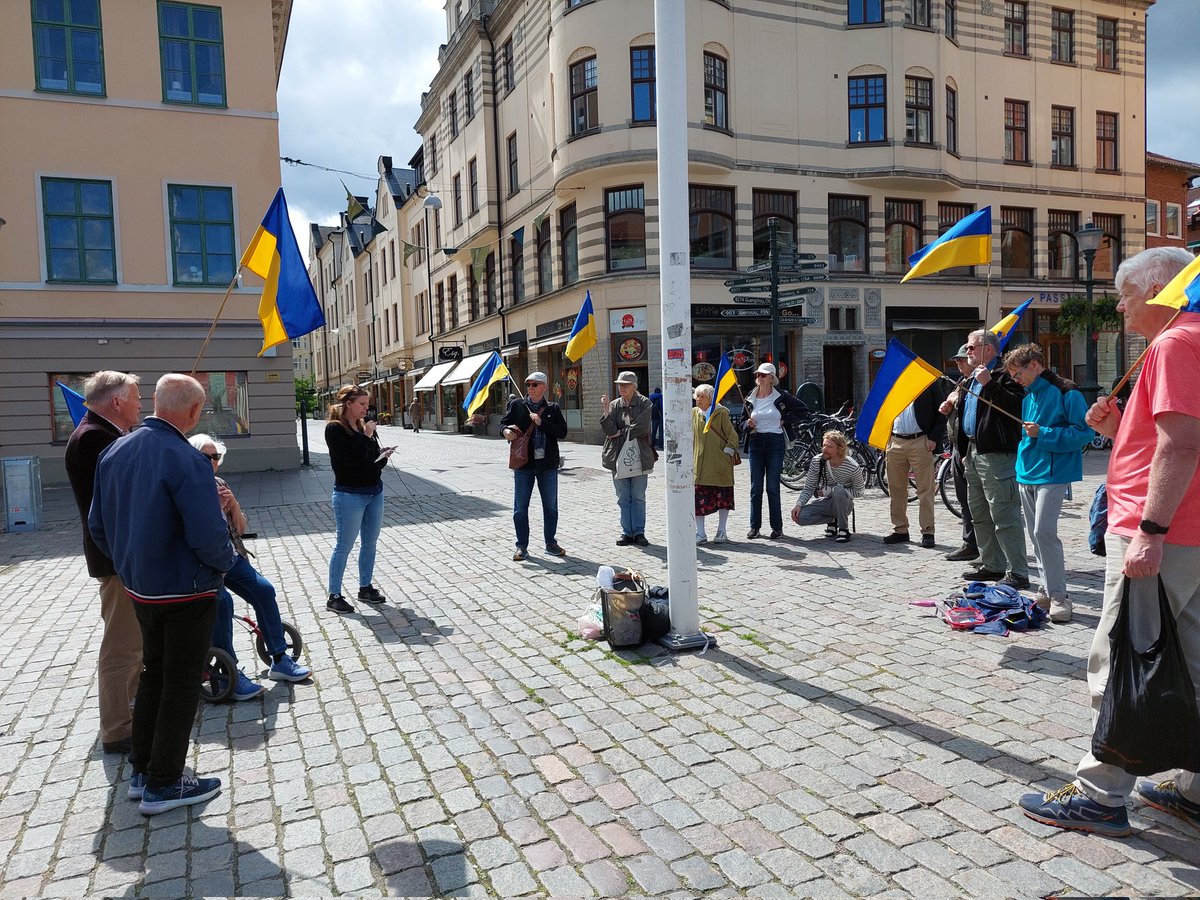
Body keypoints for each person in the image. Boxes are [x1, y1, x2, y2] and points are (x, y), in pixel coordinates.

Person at [1018, 246, 1200, 838]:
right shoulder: (1188, 340)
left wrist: (1150, 531)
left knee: (1121, 656)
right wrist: (1118, 428)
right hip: (1188, 531)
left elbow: (1181, 446)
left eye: (1125, 295)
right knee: (1192, 659)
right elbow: (1164, 442)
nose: (1120, 307)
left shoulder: (1175, 344)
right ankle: (1195, 791)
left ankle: (1100, 794)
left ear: (1158, 291)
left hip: (1164, 532)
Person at [88, 373, 235, 815]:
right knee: (181, 683)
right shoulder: (187, 459)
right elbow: (208, 536)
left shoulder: (116, 449)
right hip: (185, 591)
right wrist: (226, 562)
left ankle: (143, 770)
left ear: (155, 402)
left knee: (154, 673)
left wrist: (130, 564)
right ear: (194, 411)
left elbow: (98, 526)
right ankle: (165, 782)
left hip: (141, 588)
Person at [189, 434, 312, 696]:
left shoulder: (219, 484)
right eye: (205, 457)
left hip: (230, 557)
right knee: (223, 603)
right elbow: (200, 535)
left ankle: (280, 658)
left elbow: (240, 529)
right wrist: (215, 507)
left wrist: (233, 505)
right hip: (204, 564)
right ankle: (228, 671)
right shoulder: (188, 489)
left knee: (264, 590)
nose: (212, 461)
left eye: (215, 457)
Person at [64, 370, 144, 755]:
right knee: (122, 647)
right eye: (136, 398)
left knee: (134, 643)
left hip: (121, 555)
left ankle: (131, 710)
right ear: (116, 402)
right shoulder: (94, 438)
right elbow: (127, 494)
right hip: (117, 558)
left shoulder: (104, 433)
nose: (141, 405)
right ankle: (117, 729)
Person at [1003, 343, 1092, 623]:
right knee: (1035, 534)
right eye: (1013, 376)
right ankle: (1045, 587)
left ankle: (1059, 596)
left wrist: (1043, 433)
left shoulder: (1067, 390)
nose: (1016, 380)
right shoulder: (1028, 395)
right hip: (1027, 470)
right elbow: (1027, 434)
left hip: (1054, 472)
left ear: (1033, 365)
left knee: (1044, 532)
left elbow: (1084, 433)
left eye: (1018, 374)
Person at [940, 330, 1027, 588]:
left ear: (988, 349)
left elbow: (1016, 408)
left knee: (1003, 513)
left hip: (997, 454)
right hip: (972, 453)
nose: (967, 351)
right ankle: (992, 564)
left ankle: (1018, 572)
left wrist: (990, 383)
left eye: (971, 347)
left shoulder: (1005, 375)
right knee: (978, 513)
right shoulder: (969, 380)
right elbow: (967, 417)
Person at [326, 384, 394, 614]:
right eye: (362, 404)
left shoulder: (363, 427)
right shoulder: (335, 429)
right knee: (344, 545)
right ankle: (334, 595)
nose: (367, 408)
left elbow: (369, 460)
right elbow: (348, 461)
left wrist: (382, 455)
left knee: (370, 542)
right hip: (349, 494)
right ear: (349, 404)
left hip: (374, 492)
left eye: (367, 404)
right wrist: (366, 437)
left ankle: (365, 587)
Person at [500, 371, 568, 561]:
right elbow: (504, 424)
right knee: (520, 508)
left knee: (551, 507)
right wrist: (505, 431)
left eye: (534, 384)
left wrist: (541, 423)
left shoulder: (553, 408)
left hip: (547, 466)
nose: (530, 388)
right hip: (524, 465)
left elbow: (562, 432)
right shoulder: (517, 405)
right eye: (528, 384)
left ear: (544, 387)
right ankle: (521, 546)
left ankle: (551, 543)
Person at [741, 362, 808, 539]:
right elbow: (741, 423)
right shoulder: (750, 397)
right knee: (756, 487)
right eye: (757, 375)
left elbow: (803, 410)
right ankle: (754, 527)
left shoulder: (782, 396)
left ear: (772, 378)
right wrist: (747, 424)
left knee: (772, 487)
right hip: (756, 442)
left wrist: (786, 420)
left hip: (775, 442)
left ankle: (777, 528)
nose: (759, 378)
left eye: (763, 375)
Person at [882, 384, 946, 549]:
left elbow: (942, 410)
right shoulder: (892, 383)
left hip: (920, 441)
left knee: (925, 489)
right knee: (896, 489)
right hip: (895, 440)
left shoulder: (928, 381)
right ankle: (900, 529)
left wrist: (934, 438)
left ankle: (928, 531)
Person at [600, 372, 656, 546]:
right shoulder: (614, 405)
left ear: (634, 386)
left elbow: (642, 427)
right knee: (623, 496)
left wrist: (620, 432)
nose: (622, 388)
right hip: (617, 455)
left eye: (625, 384)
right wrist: (606, 411)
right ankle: (627, 532)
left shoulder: (645, 403)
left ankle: (639, 532)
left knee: (638, 496)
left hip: (640, 454)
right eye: (620, 384)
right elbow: (610, 431)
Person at [790, 429, 866, 542]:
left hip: (845, 504)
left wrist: (832, 491)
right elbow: (809, 487)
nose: (825, 449)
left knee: (839, 491)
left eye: (829, 446)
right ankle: (832, 520)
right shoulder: (817, 461)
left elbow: (860, 492)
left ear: (839, 449)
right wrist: (799, 504)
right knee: (801, 517)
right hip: (827, 503)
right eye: (824, 445)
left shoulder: (852, 466)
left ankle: (843, 529)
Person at [944, 345, 979, 563]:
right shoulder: (962, 382)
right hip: (957, 446)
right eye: (957, 360)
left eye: (962, 360)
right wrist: (949, 406)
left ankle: (980, 544)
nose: (958, 363)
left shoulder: (979, 383)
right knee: (963, 498)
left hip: (972, 447)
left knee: (976, 500)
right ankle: (970, 543)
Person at [691, 384, 739, 544]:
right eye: (697, 396)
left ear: (711, 399)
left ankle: (721, 531)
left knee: (723, 499)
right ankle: (700, 533)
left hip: (719, 465)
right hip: (700, 466)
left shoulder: (721, 413)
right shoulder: (693, 413)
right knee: (698, 501)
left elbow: (733, 437)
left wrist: (726, 453)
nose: (698, 400)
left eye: (702, 397)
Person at [649, 385, 664, 451]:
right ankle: (660, 445)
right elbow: (661, 406)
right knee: (661, 431)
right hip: (660, 416)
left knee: (653, 431)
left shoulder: (650, 397)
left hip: (653, 416)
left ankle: (652, 444)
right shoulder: (660, 396)